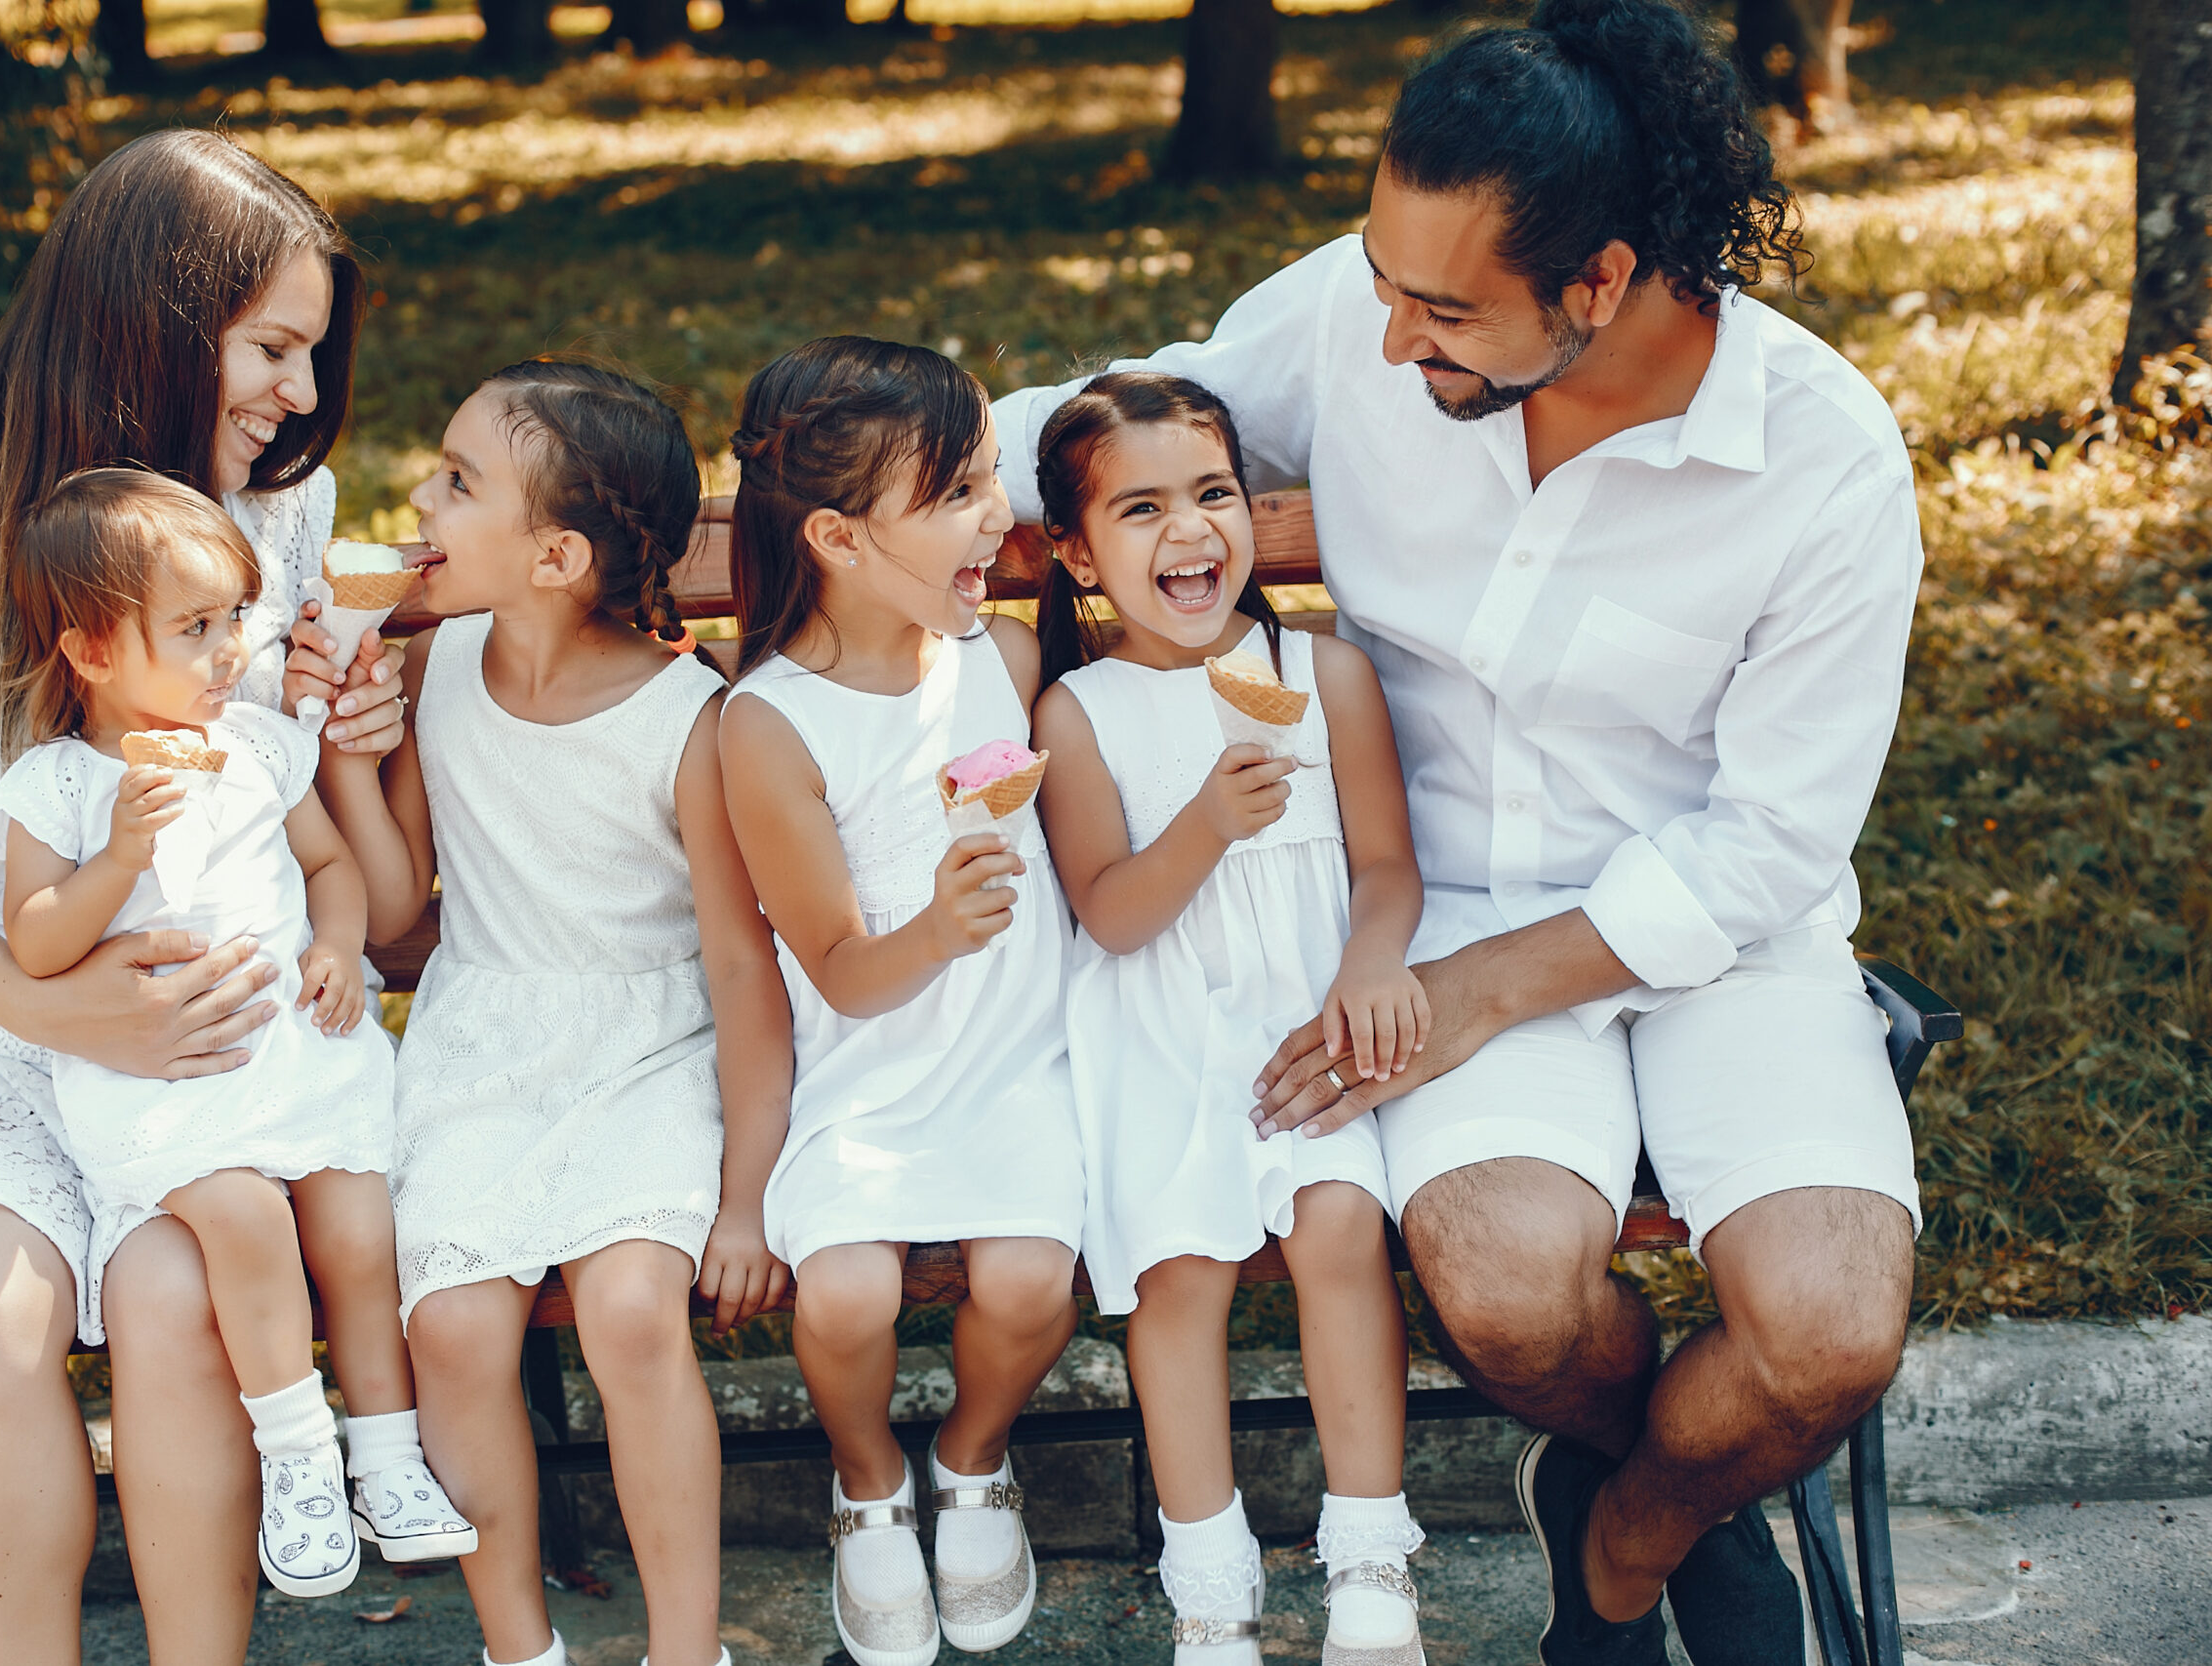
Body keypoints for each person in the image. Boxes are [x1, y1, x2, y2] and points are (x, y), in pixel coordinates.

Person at [989, 1, 1923, 1659]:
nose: (1394, 342)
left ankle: (1622, 1544)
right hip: (1429, 901)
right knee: (1502, 1289)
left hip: (1722, 937)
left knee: (1829, 1337)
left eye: (1445, 313)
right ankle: (1667, 1498)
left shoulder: (1822, 459)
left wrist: (1480, 991)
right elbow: (1129, 413)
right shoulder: (1369, 317)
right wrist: (870, 485)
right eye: (1382, 280)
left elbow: (1770, 844)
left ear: (1602, 280)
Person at [0, 129, 406, 1663]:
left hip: (221, 1046)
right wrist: (65, 1009)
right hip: (7, 1025)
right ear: (149, 322)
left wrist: (362, 730)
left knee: (180, 1291)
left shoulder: (271, 517)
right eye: (271, 346)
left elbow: (321, 822)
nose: (302, 395)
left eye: (310, 353)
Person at [322, 357, 792, 1666]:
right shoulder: (445, 660)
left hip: (651, 1049)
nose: (421, 496)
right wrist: (356, 765)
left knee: (634, 1306)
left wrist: (747, 1196)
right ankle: (517, 1645)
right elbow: (395, 918)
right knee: (455, 1323)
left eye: (460, 481)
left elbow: (742, 969)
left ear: (555, 553)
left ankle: (682, 1645)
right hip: (482, 1039)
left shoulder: (688, 718)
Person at [0, 467, 468, 1598]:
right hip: (168, 1085)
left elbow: (331, 866)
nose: (230, 649)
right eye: (195, 628)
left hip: (296, 1056)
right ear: (93, 653)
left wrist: (337, 946)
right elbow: (38, 946)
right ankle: (298, 1449)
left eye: (234, 616)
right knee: (244, 1213)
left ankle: (386, 1458)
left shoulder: (253, 749)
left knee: (354, 1218)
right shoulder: (57, 787)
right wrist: (118, 862)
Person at [1030, 373, 1428, 1663]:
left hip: (1305, 1018)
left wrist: (1368, 968)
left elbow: (1385, 869)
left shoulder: (1324, 675)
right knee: (1182, 1268)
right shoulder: (1077, 713)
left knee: (1339, 1223)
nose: (1190, 531)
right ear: (1082, 553)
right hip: (1158, 1032)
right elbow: (1112, 914)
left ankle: (1371, 1556)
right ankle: (1212, 1580)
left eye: (1211, 494)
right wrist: (1207, 818)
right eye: (1140, 509)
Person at [717, 337, 1084, 1666]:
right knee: (847, 1294)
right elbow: (834, 964)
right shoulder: (770, 726)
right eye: (960, 494)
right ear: (836, 536)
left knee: (1035, 1276)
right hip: (865, 1073)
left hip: (1012, 1065)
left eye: (994, 479)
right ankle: (867, 1476)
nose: (1001, 514)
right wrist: (933, 924)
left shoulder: (998, 650)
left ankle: (974, 1456)